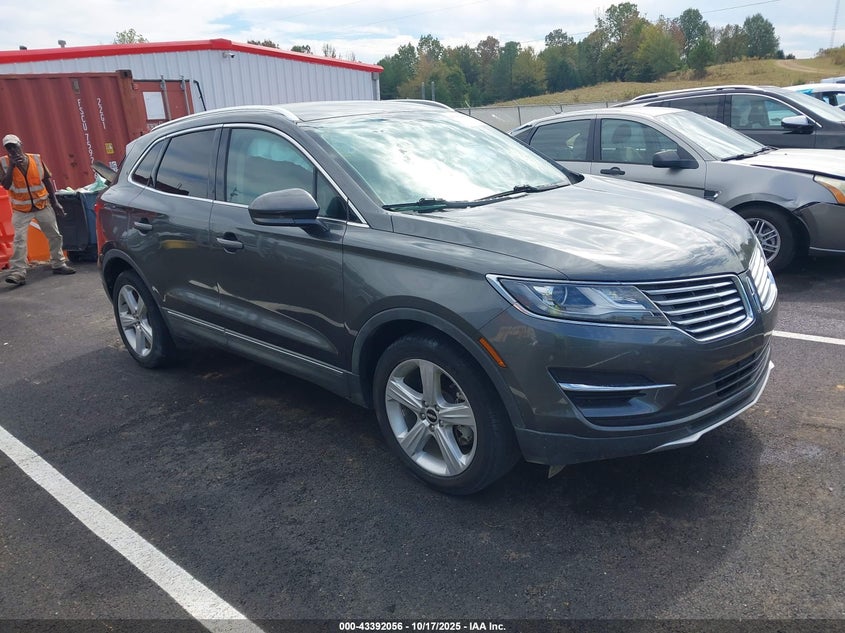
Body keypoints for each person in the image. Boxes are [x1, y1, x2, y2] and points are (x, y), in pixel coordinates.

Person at [1, 134, 75, 286]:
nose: (12, 150)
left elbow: (46, 180)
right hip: (21, 209)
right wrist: (12, 167)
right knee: (19, 240)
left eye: (14, 146)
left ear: (20, 144)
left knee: (54, 235)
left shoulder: (35, 159)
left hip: (42, 204)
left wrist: (55, 203)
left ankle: (58, 263)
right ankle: (18, 272)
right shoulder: (4, 163)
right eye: (9, 148)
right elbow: (6, 185)